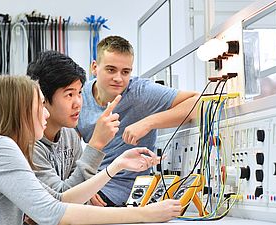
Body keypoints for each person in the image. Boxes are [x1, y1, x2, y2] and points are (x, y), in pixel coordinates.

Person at [0, 75, 181, 225]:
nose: (46, 112)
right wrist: (144, 215)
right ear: (20, 110)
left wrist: (116, 166)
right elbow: (52, 214)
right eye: (40, 104)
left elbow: (58, 199)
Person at [77, 35, 201, 206]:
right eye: (111, 70)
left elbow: (200, 102)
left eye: (125, 72)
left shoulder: (141, 92)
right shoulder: (79, 98)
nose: (119, 78)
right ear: (94, 67)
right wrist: (87, 184)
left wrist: (148, 122)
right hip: (91, 183)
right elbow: (70, 149)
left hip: (122, 191)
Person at [27, 51, 118, 206]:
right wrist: (96, 144)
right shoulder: (28, 144)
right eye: (69, 95)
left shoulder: (70, 136)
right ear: (42, 98)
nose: (78, 103)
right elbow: (62, 200)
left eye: (80, 93)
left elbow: (80, 191)